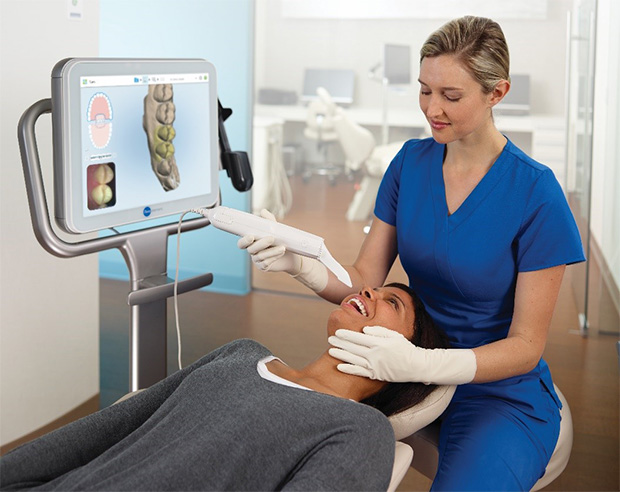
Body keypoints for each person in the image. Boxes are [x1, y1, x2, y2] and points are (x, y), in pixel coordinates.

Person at [239, 16, 585, 491]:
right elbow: (364, 276)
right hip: (397, 366)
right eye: (425, 90)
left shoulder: (535, 192)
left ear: (496, 93)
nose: (432, 109)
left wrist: (422, 364)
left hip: (494, 391)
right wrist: (299, 263)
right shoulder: (411, 162)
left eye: (451, 96)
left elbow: (527, 346)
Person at [0, 283, 449, 491]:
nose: (368, 292)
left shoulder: (360, 430)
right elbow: (109, 427)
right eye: (376, 288)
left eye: (390, 302)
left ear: (405, 354)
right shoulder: (242, 353)